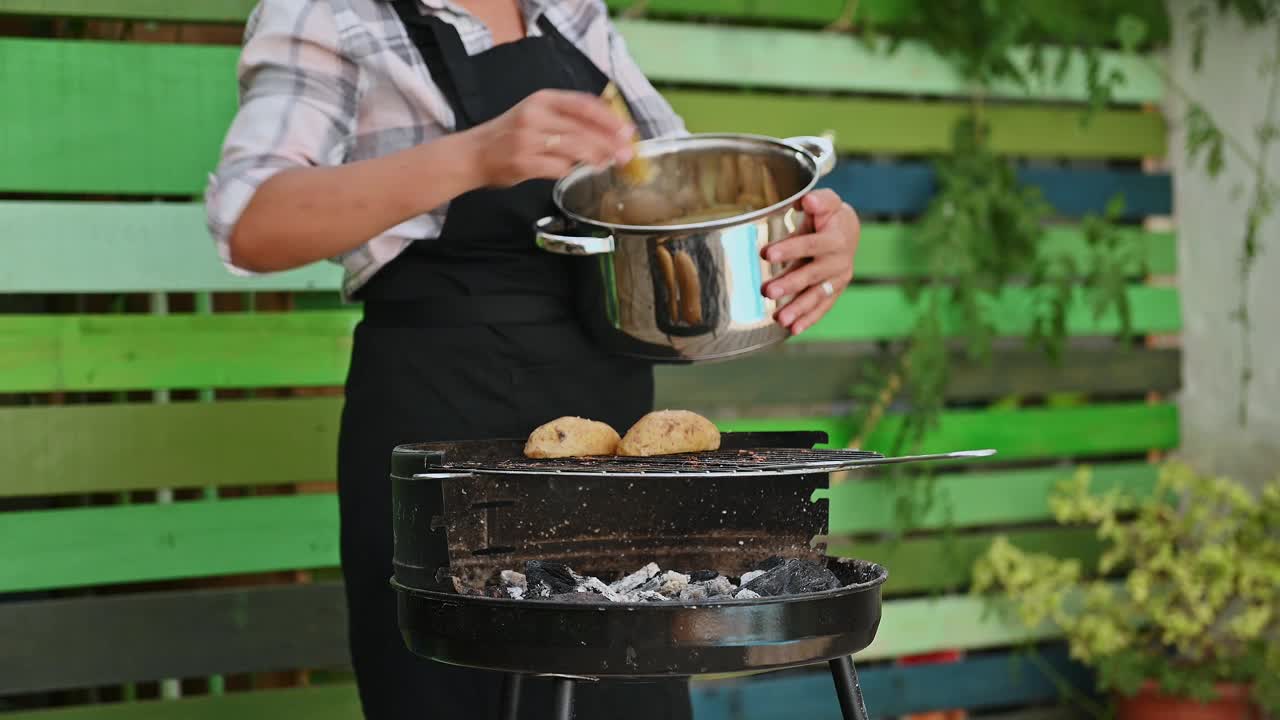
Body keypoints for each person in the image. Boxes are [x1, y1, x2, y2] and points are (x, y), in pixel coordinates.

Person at [205, 0, 861, 717]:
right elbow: (251, 220)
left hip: (616, 464)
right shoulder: (331, 13)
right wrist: (473, 156)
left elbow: (681, 204)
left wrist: (806, 237)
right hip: (443, 445)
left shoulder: (568, 10)